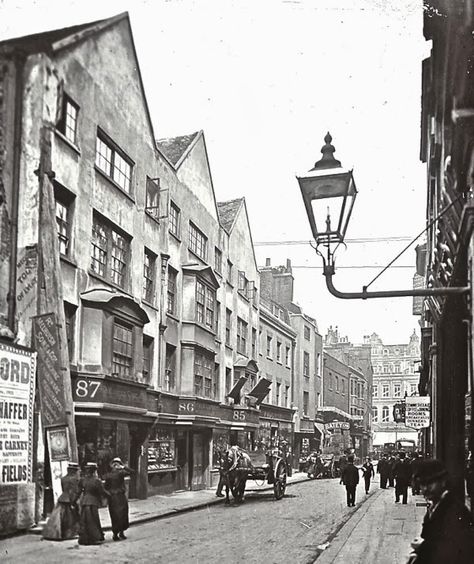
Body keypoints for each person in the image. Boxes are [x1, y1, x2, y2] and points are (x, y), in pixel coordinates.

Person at [407, 459, 474, 564]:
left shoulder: (454, 511)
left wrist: (422, 549)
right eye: (422, 484)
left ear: (443, 482)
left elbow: (452, 553)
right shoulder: (436, 506)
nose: (425, 489)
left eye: (429, 483)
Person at [42, 462, 81, 540]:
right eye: (77, 471)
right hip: (70, 498)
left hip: (63, 497)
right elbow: (75, 491)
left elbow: (64, 489)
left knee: (60, 517)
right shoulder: (76, 479)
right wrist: (74, 501)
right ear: (74, 471)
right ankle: (71, 533)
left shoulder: (63, 478)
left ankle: (58, 533)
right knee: (72, 517)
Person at [77, 462, 108, 546]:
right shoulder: (97, 481)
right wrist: (110, 495)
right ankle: (95, 537)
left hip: (84, 502)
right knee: (93, 520)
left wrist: (73, 501)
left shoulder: (82, 480)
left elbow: (78, 492)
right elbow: (102, 491)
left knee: (85, 520)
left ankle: (84, 538)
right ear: (94, 471)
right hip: (93, 502)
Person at [104, 457, 133, 541]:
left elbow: (105, 487)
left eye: (117, 464)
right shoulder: (119, 473)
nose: (116, 466)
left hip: (115, 497)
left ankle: (118, 533)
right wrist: (123, 467)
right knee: (119, 515)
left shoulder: (112, 474)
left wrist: (108, 494)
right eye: (115, 464)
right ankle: (118, 533)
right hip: (118, 496)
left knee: (117, 515)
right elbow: (132, 472)